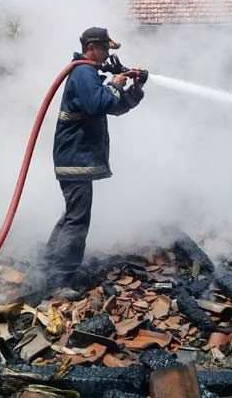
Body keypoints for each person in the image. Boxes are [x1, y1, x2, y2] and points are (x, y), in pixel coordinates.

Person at [44, 27, 146, 291]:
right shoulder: (83, 72)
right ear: (92, 47)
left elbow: (113, 107)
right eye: (105, 49)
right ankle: (60, 279)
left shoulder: (88, 73)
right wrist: (114, 84)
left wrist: (134, 90)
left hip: (76, 157)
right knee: (77, 219)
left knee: (72, 215)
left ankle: (48, 265)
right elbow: (97, 104)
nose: (107, 55)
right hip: (74, 157)